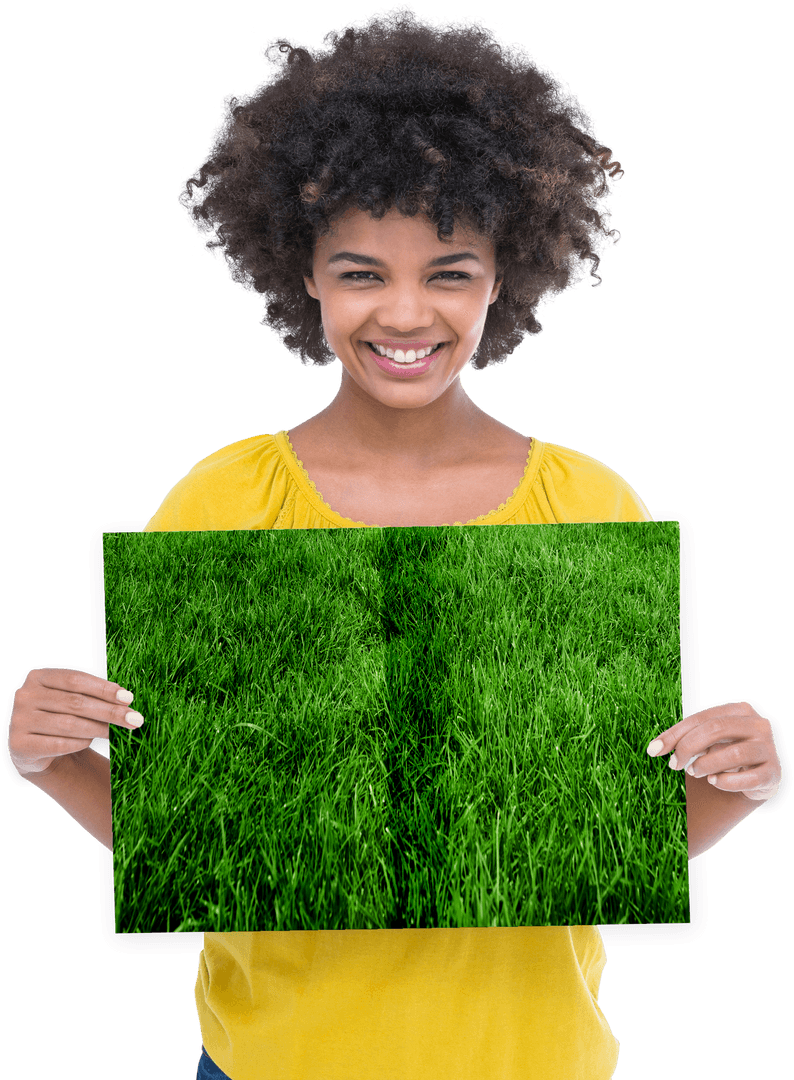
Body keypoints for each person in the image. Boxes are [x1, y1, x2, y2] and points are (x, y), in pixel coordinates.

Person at [6, 6, 783, 1079]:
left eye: (448, 272)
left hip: (533, 1059)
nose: (404, 313)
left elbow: (593, 841)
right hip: (271, 1063)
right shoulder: (223, 496)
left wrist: (735, 788)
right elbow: (195, 838)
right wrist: (49, 764)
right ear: (306, 273)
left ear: (503, 276)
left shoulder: (589, 502)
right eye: (361, 271)